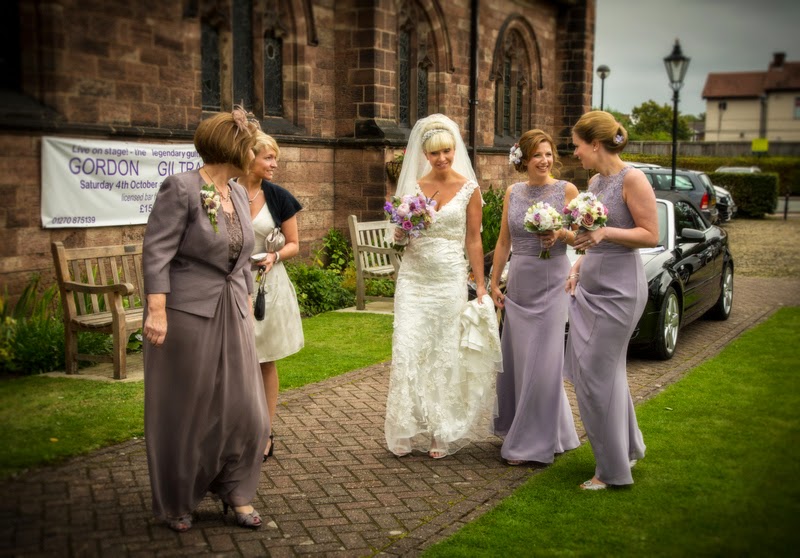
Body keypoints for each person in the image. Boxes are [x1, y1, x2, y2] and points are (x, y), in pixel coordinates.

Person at [142, 107, 269, 531]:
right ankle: (177, 501)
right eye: (250, 145)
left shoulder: (235, 192)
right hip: (187, 313)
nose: (255, 152)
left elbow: (242, 255)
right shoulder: (180, 188)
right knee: (186, 409)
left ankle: (236, 490)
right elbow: (156, 252)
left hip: (232, 309)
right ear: (232, 147)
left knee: (246, 409)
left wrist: (246, 297)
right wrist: (157, 310)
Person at [384, 114, 501, 459]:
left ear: (455, 150)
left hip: (449, 279)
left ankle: (439, 431)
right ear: (424, 154)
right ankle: (405, 427)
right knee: (407, 351)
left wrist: (480, 285)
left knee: (443, 354)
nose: (442, 158)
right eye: (434, 153)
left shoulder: (470, 189)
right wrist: (402, 232)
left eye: (447, 151)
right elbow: (398, 238)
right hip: (414, 280)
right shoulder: (412, 188)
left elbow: (474, 242)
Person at [565, 111, 659, 490]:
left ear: (595, 144)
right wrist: (578, 264)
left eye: (577, 146)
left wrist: (606, 232)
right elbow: (590, 237)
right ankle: (629, 447)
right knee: (604, 374)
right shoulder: (593, 181)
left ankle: (611, 470)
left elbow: (650, 234)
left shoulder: (632, 178)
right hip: (591, 285)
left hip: (621, 289)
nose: (575, 153)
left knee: (594, 377)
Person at [490, 129, 581, 466]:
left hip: (553, 280)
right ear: (524, 160)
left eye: (548, 154)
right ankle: (547, 430)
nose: (544, 161)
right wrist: (495, 282)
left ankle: (532, 442)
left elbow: (582, 236)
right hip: (521, 282)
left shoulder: (566, 190)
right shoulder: (513, 193)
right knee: (521, 359)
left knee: (545, 363)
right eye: (537, 155)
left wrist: (559, 233)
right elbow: (503, 242)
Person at [238, 131, 304, 462]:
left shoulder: (279, 196)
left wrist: (274, 256)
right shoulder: (224, 192)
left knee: (265, 359)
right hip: (231, 286)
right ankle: (236, 430)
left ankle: (265, 432)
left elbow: (293, 243)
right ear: (249, 156)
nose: (274, 164)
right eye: (268, 157)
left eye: (275, 157)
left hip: (267, 286)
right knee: (233, 361)